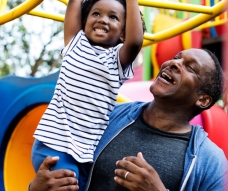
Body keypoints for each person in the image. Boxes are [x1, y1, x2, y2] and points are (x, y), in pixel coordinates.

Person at [30, 48, 227, 191]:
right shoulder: (106, 116)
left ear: (203, 99)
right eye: (176, 57)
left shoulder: (210, 161)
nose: (173, 63)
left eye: (190, 67)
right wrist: (35, 188)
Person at [32, 0, 150, 188]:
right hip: (56, 145)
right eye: (96, 14)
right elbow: (75, 0)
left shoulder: (117, 61)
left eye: (113, 17)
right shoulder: (76, 44)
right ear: (85, 21)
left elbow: (136, 41)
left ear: (123, 33)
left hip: (84, 153)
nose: (102, 20)